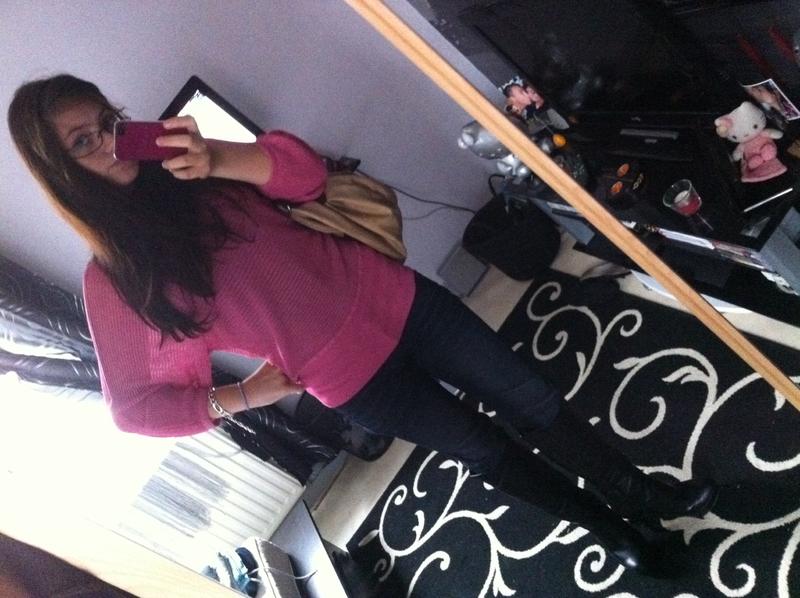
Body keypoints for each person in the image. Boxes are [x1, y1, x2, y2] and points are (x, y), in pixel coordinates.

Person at [8, 74, 717, 577]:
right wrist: (245, 396)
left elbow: (308, 176)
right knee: (486, 452)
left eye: (108, 121)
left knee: (531, 398)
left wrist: (219, 155)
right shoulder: (115, 281)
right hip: (348, 379)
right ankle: (619, 536)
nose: (109, 143)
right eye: (82, 143)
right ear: (61, 173)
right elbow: (134, 409)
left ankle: (643, 496)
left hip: (398, 300)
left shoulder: (194, 165)